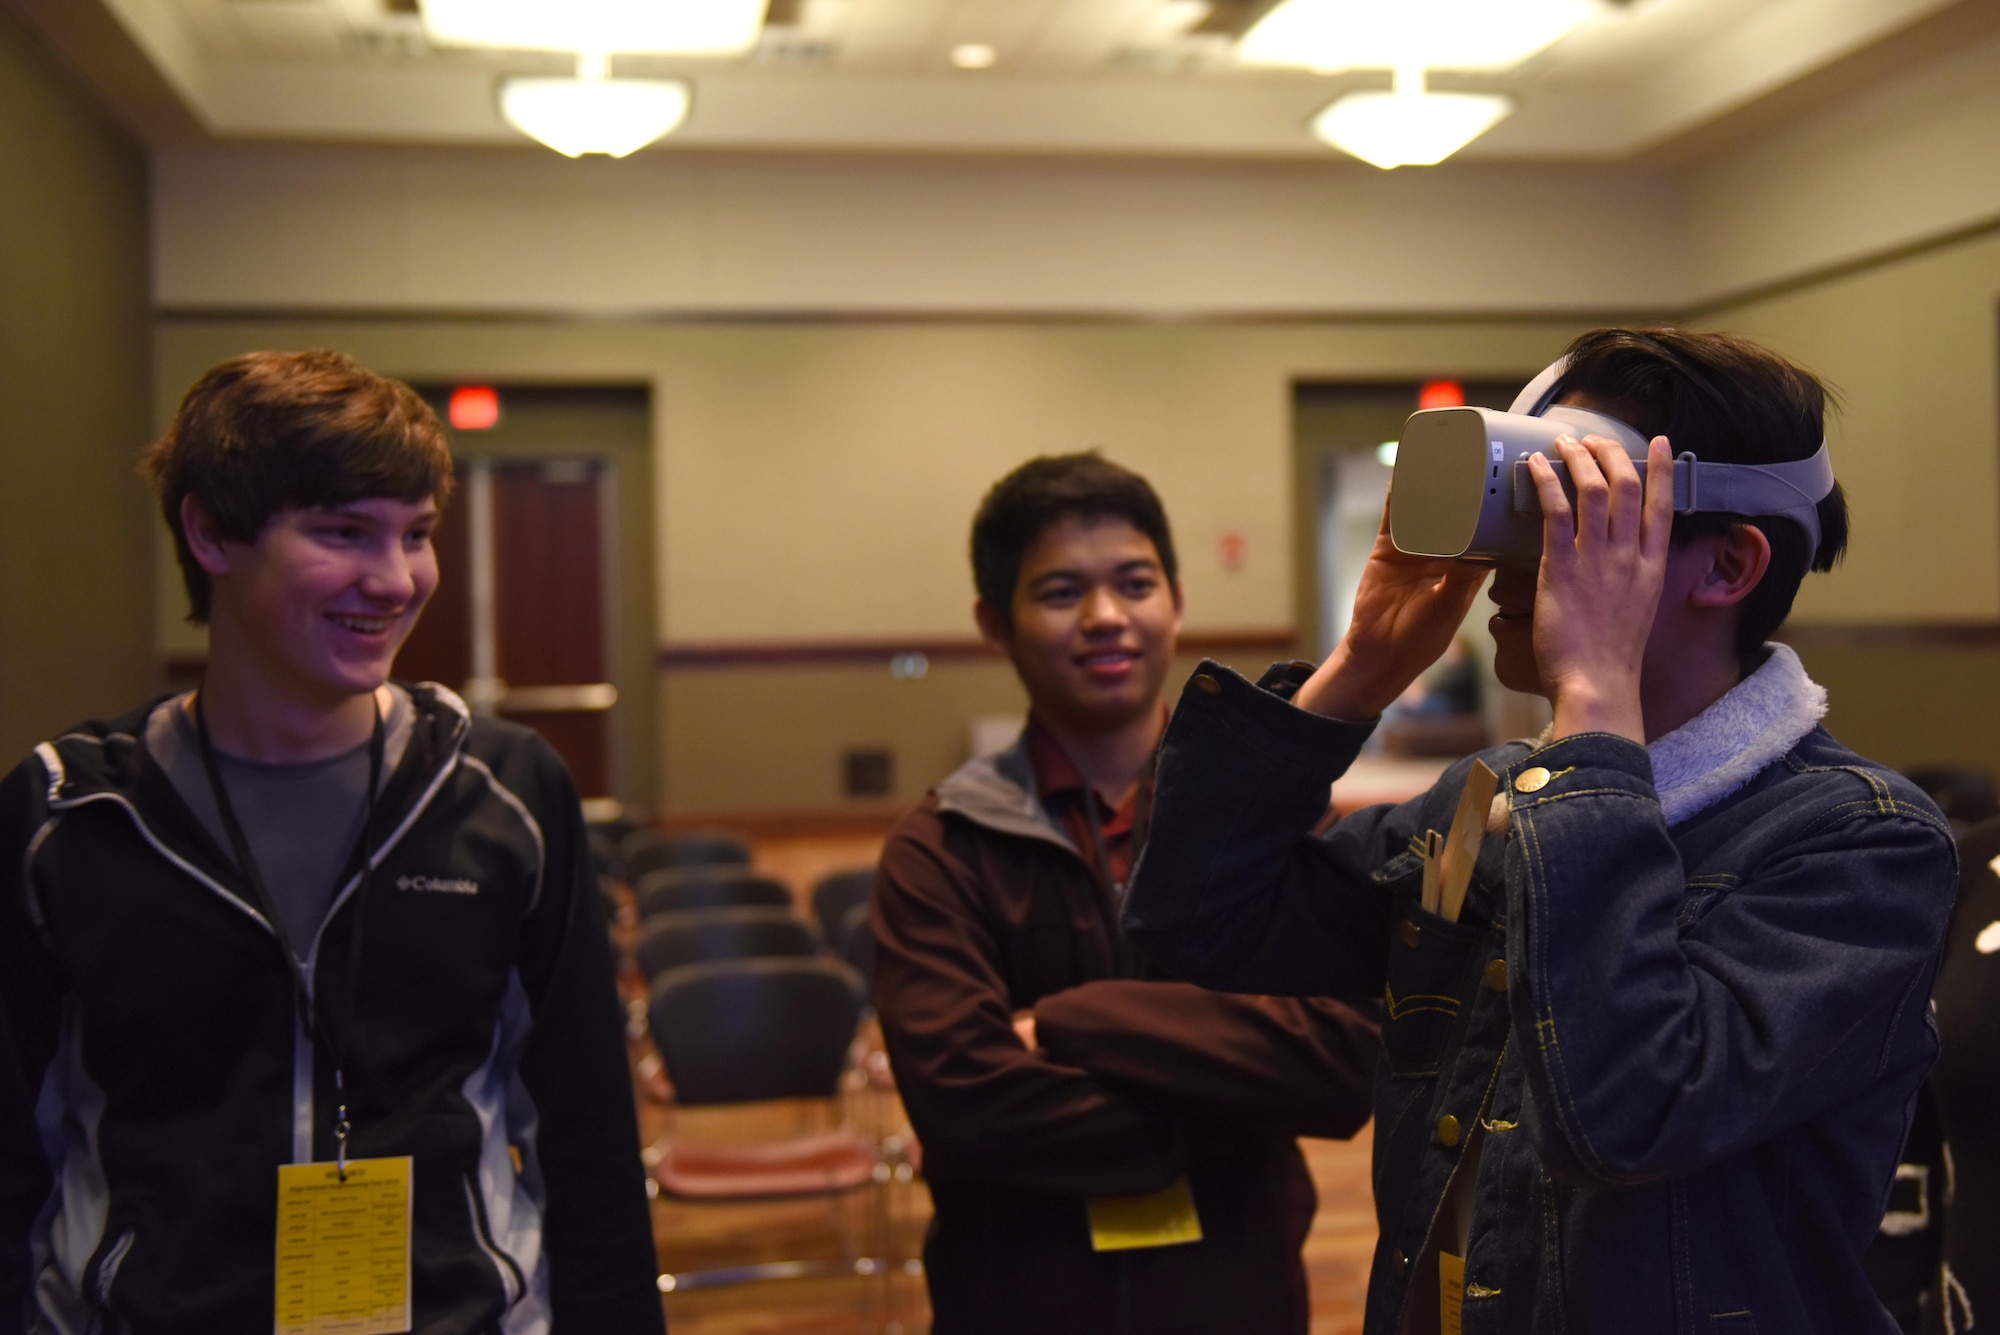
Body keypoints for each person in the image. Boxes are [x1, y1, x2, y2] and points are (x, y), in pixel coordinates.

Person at [1122, 329, 1958, 1333]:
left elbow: (1622, 1116)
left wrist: (1595, 696)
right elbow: (1195, 921)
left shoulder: (1859, 847)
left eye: (1586, 511)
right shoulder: (1490, 800)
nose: (1511, 559)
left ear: (1726, 564)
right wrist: (1354, 677)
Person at [0, 351, 664, 1334]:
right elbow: (14, 1151)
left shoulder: (501, 790)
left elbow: (585, 1131)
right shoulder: (72, 817)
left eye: (417, 535)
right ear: (210, 532)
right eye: (343, 533)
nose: (395, 580)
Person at [870, 453, 1381, 1335]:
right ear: (996, 621)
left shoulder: (1264, 822)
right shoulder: (942, 846)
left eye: (1133, 583)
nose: (1106, 617)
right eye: (1062, 591)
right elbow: (963, 1102)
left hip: (1240, 1294)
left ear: (1176, 600)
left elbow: (1339, 1064)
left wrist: (1074, 1021)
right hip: (1018, 1298)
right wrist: (1227, 1105)